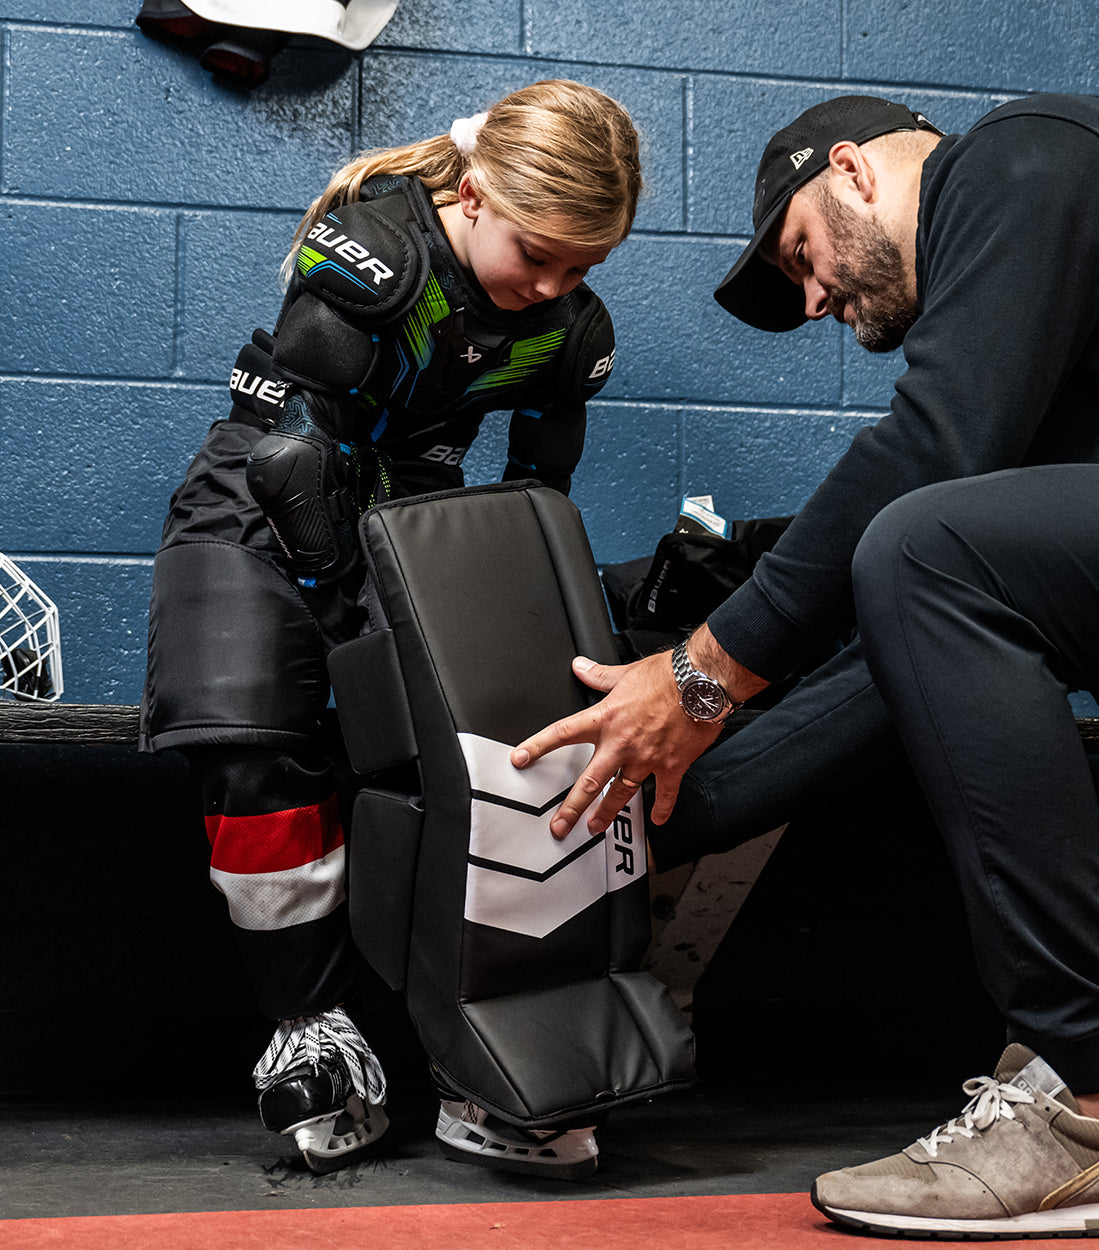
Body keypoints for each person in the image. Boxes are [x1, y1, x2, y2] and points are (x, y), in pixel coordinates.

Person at [511, 91, 1099, 1234]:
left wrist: (697, 674)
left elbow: (928, 465)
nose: (814, 301)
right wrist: (654, 809)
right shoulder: (1053, 399)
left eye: (800, 255)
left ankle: (1089, 1115)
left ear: (852, 169)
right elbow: (886, 659)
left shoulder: (1025, 154)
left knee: (919, 537)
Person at [138, 79, 641, 1178]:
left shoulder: (568, 330)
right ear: (472, 194)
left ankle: (487, 1055)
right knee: (248, 733)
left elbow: (534, 504)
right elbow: (293, 458)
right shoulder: (378, 250)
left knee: (492, 757)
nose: (552, 285)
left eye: (582, 266)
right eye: (537, 251)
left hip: (409, 511)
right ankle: (307, 1029)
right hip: (263, 496)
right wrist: (339, 611)